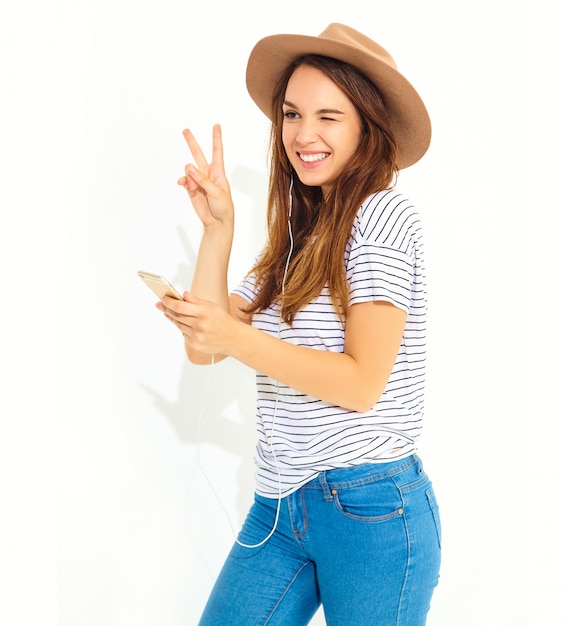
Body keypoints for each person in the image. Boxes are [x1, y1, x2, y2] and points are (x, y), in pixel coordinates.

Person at [157, 23, 441, 626]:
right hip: (279, 508)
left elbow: (362, 383)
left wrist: (238, 338)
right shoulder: (298, 233)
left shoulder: (383, 216)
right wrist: (218, 232)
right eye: (291, 114)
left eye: (327, 117)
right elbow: (206, 351)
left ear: (367, 124)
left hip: (371, 511)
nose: (302, 135)